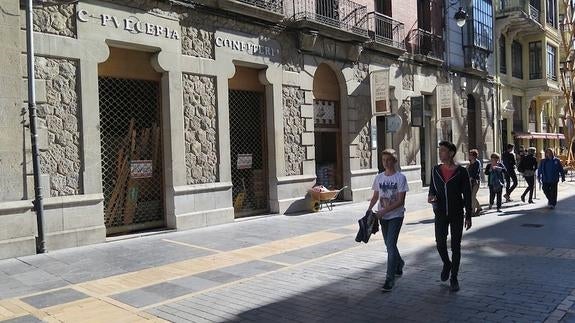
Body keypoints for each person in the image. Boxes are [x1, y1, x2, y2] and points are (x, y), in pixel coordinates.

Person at [428, 141, 472, 292]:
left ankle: (454, 278)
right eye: (439, 150)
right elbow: (432, 189)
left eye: (443, 151)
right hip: (440, 212)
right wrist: (431, 196)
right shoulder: (435, 170)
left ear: (451, 153)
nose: (440, 153)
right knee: (440, 243)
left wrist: (469, 215)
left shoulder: (461, 171)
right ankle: (447, 263)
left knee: (456, 246)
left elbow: (467, 193)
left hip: (457, 213)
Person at [367, 149, 409, 292]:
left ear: (394, 161)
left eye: (388, 160)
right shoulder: (379, 178)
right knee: (388, 244)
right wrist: (369, 210)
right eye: (383, 160)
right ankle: (400, 262)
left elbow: (400, 201)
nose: (386, 163)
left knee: (390, 245)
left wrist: (384, 210)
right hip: (382, 217)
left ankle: (389, 279)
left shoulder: (400, 178)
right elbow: (375, 196)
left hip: (396, 216)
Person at [466, 149, 483, 216]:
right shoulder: (469, 163)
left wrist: (471, 177)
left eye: (470, 155)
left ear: (474, 156)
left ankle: (472, 211)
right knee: (471, 196)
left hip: (476, 181)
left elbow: (476, 172)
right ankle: (479, 208)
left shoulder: (477, 162)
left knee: (472, 196)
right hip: (470, 182)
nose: (469, 156)